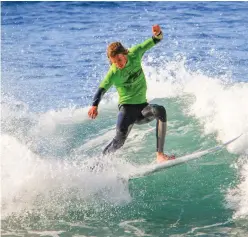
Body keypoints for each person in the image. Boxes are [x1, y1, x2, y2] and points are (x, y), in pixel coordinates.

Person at [88, 25, 175, 163]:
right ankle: (99, 164)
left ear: (125, 53)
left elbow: (154, 40)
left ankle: (160, 155)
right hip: (126, 109)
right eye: (114, 62)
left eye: (119, 60)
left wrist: (158, 33)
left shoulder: (135, 54)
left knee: (159, 110)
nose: (118, 64)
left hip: (142, 109)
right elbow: (102, 89)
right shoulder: (113, 73)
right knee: (119, 142)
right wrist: (94, 105)